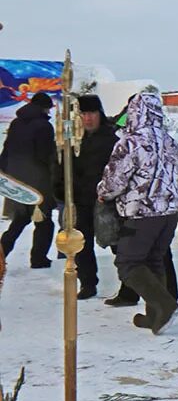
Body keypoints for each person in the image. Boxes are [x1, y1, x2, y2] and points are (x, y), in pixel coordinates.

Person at [96, 92, 178, 334]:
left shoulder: (131, 142)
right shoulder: (170, 141)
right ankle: (155, 316)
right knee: (154, 259)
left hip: (141, 213)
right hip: (169, 212)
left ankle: (164, 305)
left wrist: (102, 192)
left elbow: (115, 180)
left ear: (134, 112)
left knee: (128, 263)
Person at [51, 95, 118, 299]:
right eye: (84, 114)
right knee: (81, 244)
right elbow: (61, 166)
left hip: (106, 202)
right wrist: (61, 188)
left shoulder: (112, 140)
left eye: (92, 114)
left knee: (117, 242)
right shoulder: (72, 141)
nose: (88, 119)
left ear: (100, 114)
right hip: (80, 200)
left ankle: (129, 286)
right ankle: (88, 283)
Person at [0, 92, 57, 267]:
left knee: (20, 220)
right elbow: (44, 155)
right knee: (44, 222)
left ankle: (1, 253)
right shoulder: (44, 127)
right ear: (44, 107)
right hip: (38, 181)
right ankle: (38, 259)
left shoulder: (17, 123)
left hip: (18, 181)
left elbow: (6, 149)